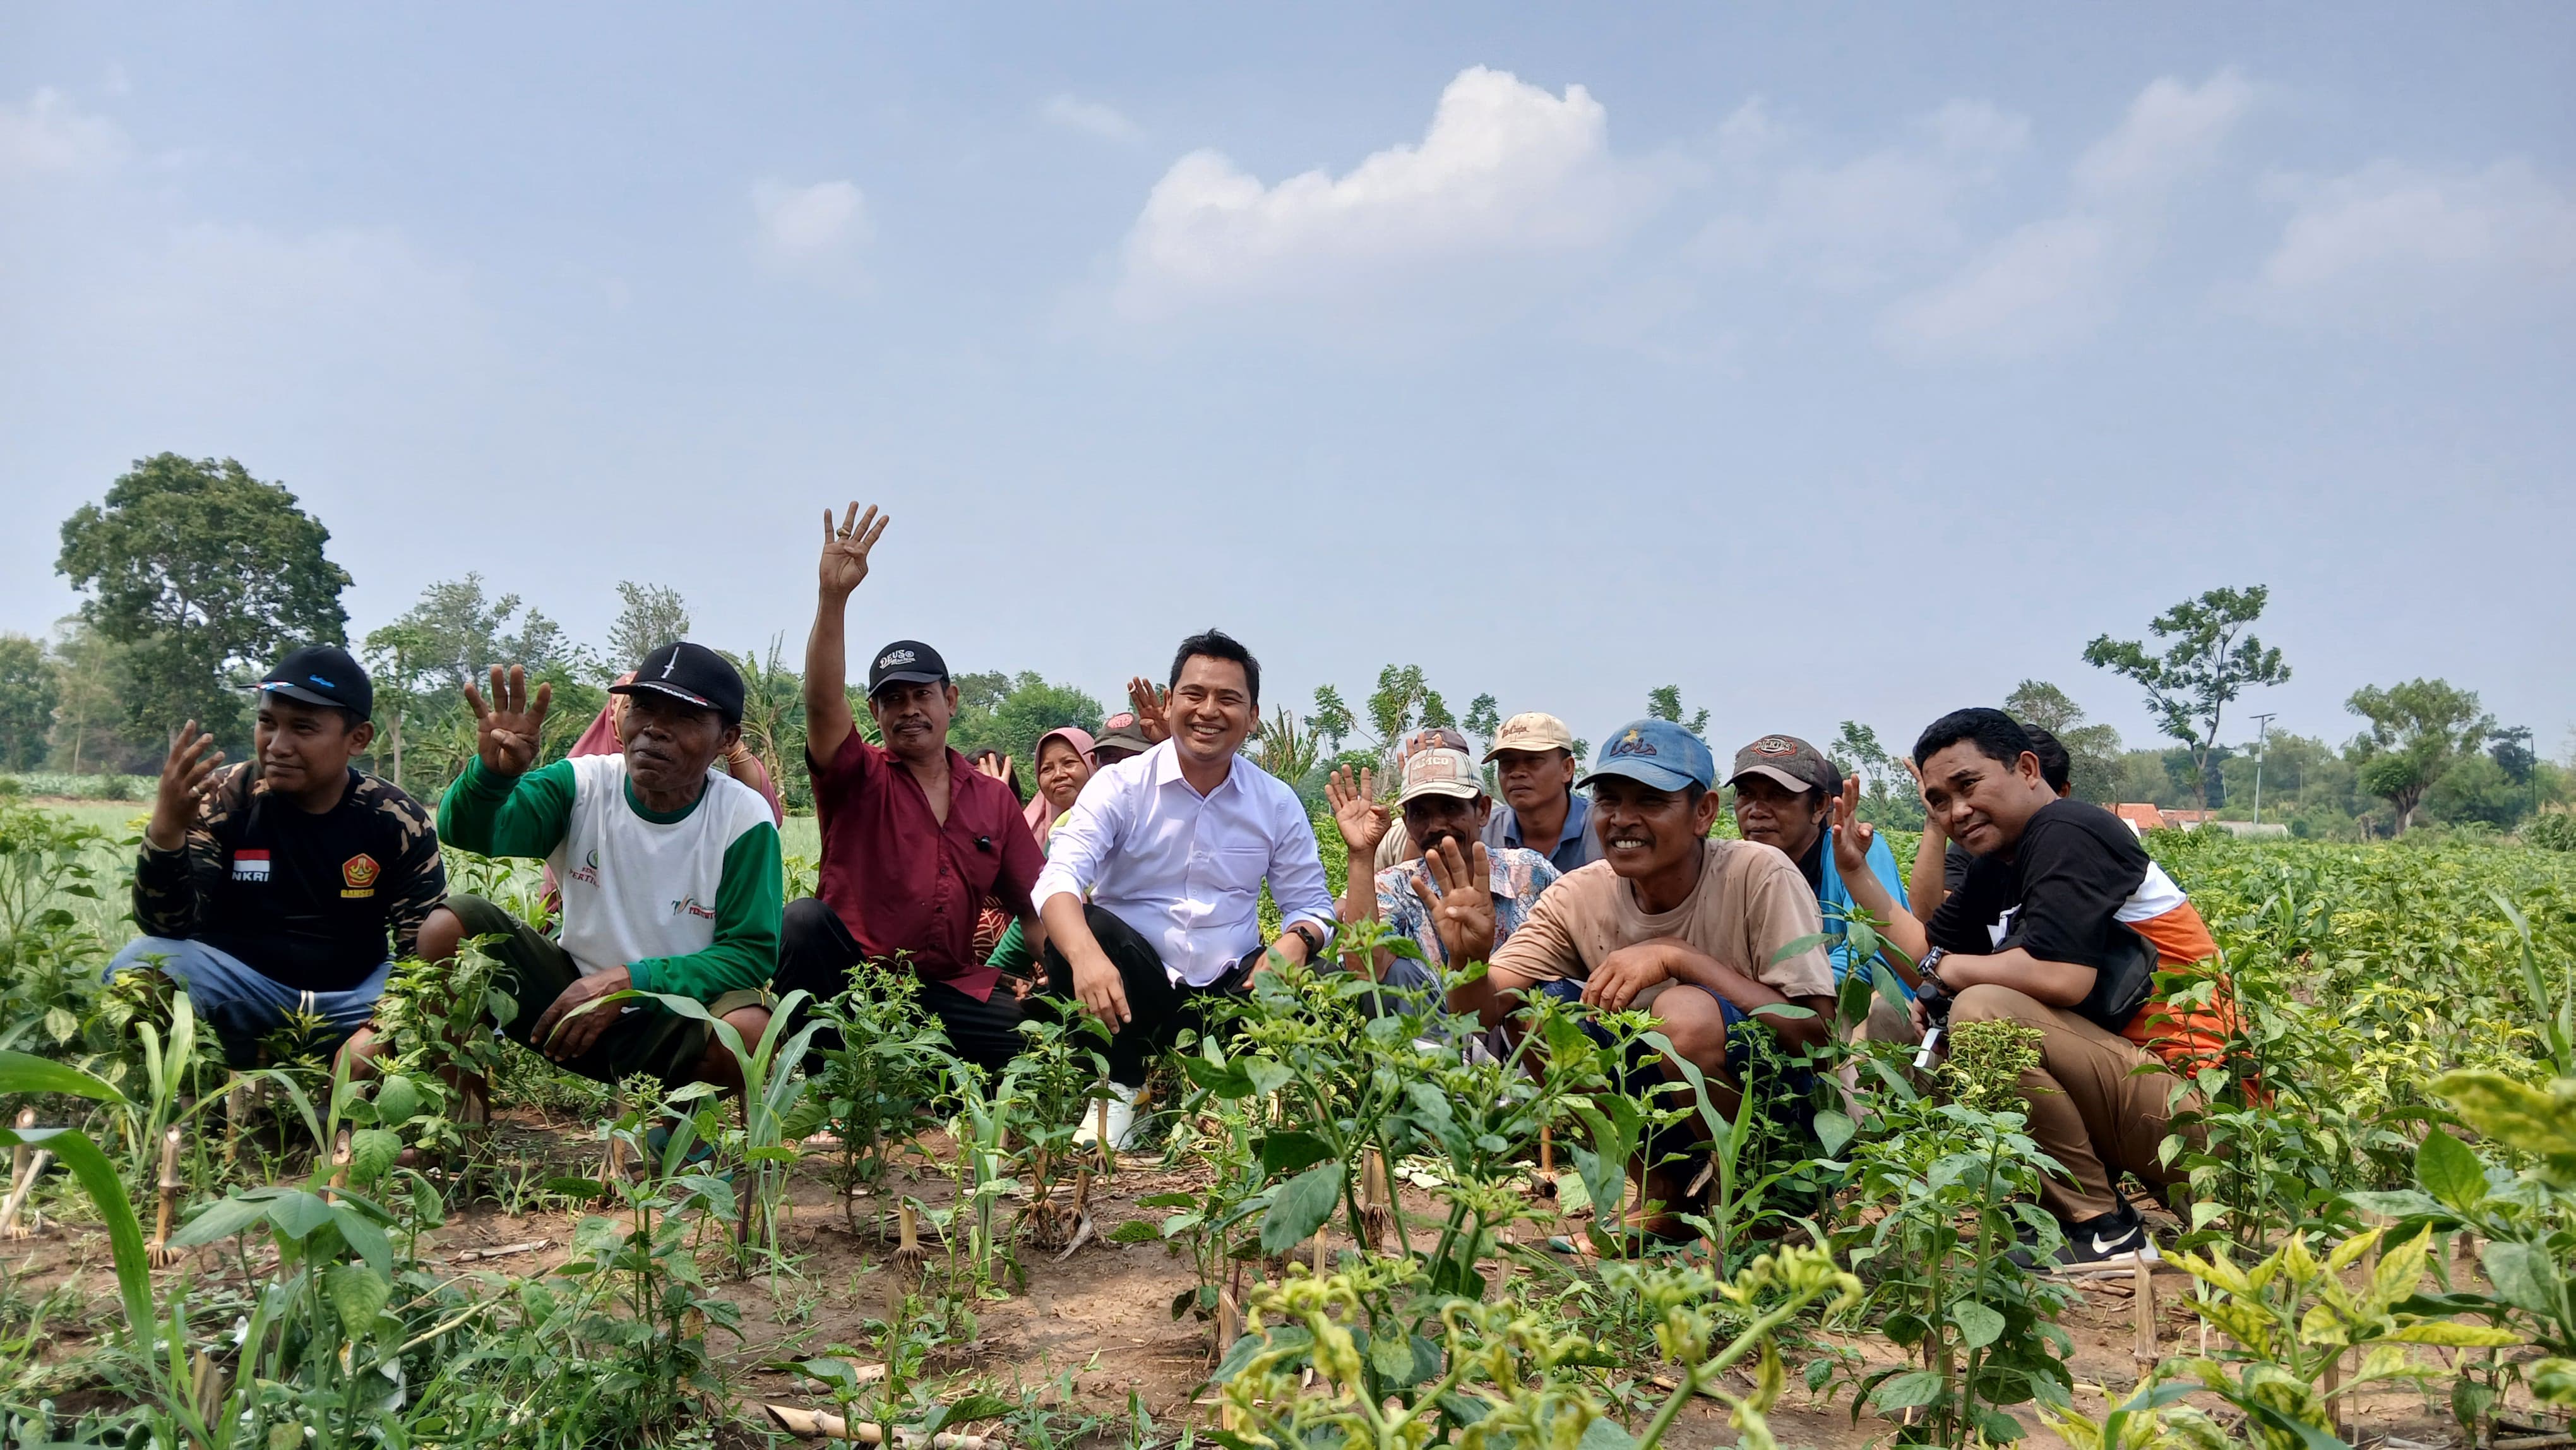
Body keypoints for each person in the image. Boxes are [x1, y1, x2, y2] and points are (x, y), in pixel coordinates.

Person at [1460, 720, 1837, 1234]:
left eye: (1651, 801)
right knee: (1538, 1013)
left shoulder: (1758, 874)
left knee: (1683, 1013)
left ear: (1704, 812)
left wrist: (1680, 958)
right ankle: (1663, 1192)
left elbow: (1820, 1037)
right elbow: (1480, 1013)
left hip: (1785, 1115)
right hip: (1669, 1110)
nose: (1623, 819)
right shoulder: (1579, 895)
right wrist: (1468, 962)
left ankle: (1751, 1201)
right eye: (1609, 800)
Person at [361, 645, 780, 1099]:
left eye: (685, 717)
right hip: (569, 1005)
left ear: (726, 738)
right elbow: (470, 832)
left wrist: (629, 982)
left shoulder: (741, 817)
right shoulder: (582, 785)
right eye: (643, 708)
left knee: (749, 1029)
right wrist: (492, 777)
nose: (655, 729)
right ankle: (465, 1112)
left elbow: (749, 954)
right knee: (451, 925)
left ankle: (672, 1119)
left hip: (678, 1015)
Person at [1881, 708, 2216, 1269]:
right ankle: (2068, 1210)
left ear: (2028, 769)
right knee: (1952, 1011)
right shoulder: (1999, 862)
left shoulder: (2068, 829)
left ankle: (2102, 1229)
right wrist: (1854, 870)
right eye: (1939, 800)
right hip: (2149, 1105)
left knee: (1984, 1012)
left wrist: (1952, 973)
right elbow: (1926, 954)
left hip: (2206, 1120)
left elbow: (2061, 976)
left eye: (1968, 785)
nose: (1957, 811)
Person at [1034, 630, 1336, 1149]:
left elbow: (1311, 904)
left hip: (1233, 992)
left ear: (1253, 716)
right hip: (1133, 990)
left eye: (1228, 699)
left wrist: (1298, 940)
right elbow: (1058, 878)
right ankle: (1122, 1086)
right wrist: (1085, 956)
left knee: (1324, 981)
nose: (1209, 711)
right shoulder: (1120, 785)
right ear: (1170, 703)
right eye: (1195, 694)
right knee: (1081, 933)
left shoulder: (1276, 802)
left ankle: (1263, 1093)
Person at [773, 503, 1046, 1078]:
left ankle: (914, 1075)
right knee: (801, 921)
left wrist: (1059, 976)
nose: (909, 710)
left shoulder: (992, 799)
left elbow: (1036, 906)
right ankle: (830, 1081)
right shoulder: (857, 775)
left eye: (922, 695)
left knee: (1041, 1042)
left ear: (950, 701)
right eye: (893, 699)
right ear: (875, 712)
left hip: (945, 991)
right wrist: (832, 599)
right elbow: (822, 702)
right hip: (855, 989)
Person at [113, 646, 444, 1068]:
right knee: (141, 968)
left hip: (354, 998)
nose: (277, 745)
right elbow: (168, 926)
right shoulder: (223, 798)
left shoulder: (394, 817)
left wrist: (380, 1028)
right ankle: (206, 1070)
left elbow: (419, 950)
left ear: (358, 739)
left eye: (303, 728)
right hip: (240, 990)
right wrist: (165, 831)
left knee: (449, 985)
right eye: (267, 723)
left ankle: (355, 1061)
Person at [1326, 744, 1558, 999]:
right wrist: (1360, 855)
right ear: (1406, 823)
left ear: (1483, 811)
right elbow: (1363, 972)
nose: (1435, 826)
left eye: (1450, 808)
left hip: (1520, 1021)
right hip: (1425, 1022)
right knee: (1396, 974)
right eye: (1420, 813)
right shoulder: (1393, 888)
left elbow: (1576, 940)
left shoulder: (1529, 874)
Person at [1726, 734, 1915, 1038]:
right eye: (1746, 795)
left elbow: (1869, 954)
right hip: (1783, 1001)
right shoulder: (1741, 865)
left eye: (1778, 796)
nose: (1757, 810)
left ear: (1818, 807)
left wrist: (1792, 984)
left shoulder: (1857, 850)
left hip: (1864, 1000)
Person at [1482, 712, 1605, 873]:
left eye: (1533, 761)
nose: (1517, 773)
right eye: (1507, 763)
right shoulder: (1484, 834)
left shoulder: (1603, 827)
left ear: (1567, 769)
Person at [1024, 727, 1097, 851]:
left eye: (1068, 763)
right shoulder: (1026, 834)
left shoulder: (1122, 823)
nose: (1058, 775)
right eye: (1047, 769)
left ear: (1093, 764)